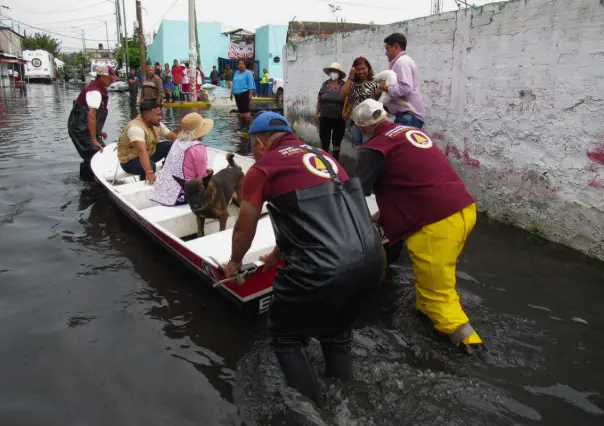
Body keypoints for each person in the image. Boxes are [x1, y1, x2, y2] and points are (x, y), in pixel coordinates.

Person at [221, 112, 385, 407]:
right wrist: (276, 254)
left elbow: (245, 225)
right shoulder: (325, 158)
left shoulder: (263, 168)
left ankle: (312, 413)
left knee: (286, 337)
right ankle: (345, 402)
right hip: (371, 259)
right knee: (337, 336)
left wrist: (234, 262)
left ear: (259, 144)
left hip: (324, 268)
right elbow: (315, 216)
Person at [353, 99, 483, 351]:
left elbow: (356, 194)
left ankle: (471, 348)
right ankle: (425, 315)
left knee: (439, 296)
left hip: (435, 224)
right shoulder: (412, 132)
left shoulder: (374, 148)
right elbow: (412, 179)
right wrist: (382, 215)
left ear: (362, 127)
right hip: (462, 209)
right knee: (432, 280)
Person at [151, 112, 214, 206]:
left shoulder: (177, 141)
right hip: (181, 196)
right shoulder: (198, 148)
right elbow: (203, 178)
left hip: (162, 191)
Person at [117, 100, 178, 183]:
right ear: (147, 117)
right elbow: (142, 152)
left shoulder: (156, 123)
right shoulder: (135, 128)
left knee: (169, 145)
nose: (161, 117)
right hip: (130, 162)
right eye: (158, 115)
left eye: (160, 114)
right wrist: (149, 172)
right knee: (151, 166)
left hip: (149, 153)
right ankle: (146, 184)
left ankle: (170, 173)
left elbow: (173, 137)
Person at [67, 65, 118, 163]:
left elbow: (95, 116)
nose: (112, 81)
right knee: (96, 155)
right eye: (110, 79)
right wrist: (94, 140)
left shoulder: (100, 88)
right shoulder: (94, 91)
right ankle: (90, 177)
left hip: (86, 128)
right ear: (103, 77)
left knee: (101, 153)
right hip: (80, 130)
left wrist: (98, 131)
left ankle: (89, 176)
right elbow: (91, 116)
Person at [380, 33, 426, 128]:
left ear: (395, 46)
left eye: (387, 49)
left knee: (401, 143)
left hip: (409, 116)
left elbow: (405, 88)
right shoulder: (402, 62)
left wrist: (386, 88)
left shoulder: (402, 62)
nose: (386, 53)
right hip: (407, 116)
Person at [340, 57, 380, 149]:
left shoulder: (374, 83)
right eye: (358, 69)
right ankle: (362, 163)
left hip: (370, 123)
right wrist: (350, 77)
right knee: (359, 147)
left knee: (368, 147)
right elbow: (343, 94)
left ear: (368, 68)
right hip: (356, 123)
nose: (361, 72)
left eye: (363, 68)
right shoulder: (352, 84)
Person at [316, 62, 346, 160]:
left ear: (339, 73)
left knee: (337, 141)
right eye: (332, 71)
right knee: (325, 141)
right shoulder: (325, 85)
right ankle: (325, 161)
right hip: (325, 117)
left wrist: (347, 113)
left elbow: (349, 100)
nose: (333, 73)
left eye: (335, 71)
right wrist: (317, 113)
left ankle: (335, 161)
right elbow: (320, 100)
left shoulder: (344, 85)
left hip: (339, 118)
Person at [230, 59, 255, 130]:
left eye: (242, 64)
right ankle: (242, 126)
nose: (240, 65)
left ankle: (248, 127)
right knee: (240, 110)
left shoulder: (248, 73)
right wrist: (231, 92)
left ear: (245, 65)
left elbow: (251, 84)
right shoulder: (236, 72)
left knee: (246, 110)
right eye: (239, 64)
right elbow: (234, 82)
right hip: (236, 94)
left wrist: (250, 94)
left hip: (245, 93)